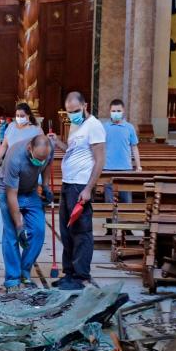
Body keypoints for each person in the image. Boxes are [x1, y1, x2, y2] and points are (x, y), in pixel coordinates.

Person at [47, 91, 106, 290]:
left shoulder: (94, 126)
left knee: (81, 231)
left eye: (76, 110)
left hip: (81, 185)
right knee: (66, 230)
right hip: (68, 183)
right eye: (69, 111)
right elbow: (73, 151)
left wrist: (89, 188)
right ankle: (69, 273)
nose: (73, 114)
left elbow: (100, 160)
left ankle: (81, 276)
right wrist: (58, 142)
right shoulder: (75, 125)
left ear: (85, 105)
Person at [0, 135, 53, 292]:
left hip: (31, 191)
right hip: (8, 191)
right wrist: (19, 225)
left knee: (38, 231)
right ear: (30, 148)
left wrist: (46, 186)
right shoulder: (14, 158)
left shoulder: (48, 149)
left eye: (43, 158)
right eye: (38, 159)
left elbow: (48, 164)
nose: (40, 162)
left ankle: (24, 271)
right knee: (12, 234)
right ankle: (12, 279)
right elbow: (11, 195)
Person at [103, 99, 142, 204]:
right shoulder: (104, 127)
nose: (116, 113)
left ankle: (126, 219)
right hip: (107, 168)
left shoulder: (129, 127)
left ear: (123, 111)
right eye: (114, 111)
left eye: (118, 111)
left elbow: (134, 147)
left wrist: (138, 166)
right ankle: (110, 220)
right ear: (109, 111)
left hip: (125, 168)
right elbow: (99, 147)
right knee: (108, 200)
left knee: (126, 199)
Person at [0, 103, 44, 174]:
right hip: (10, 165)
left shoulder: (36, 130)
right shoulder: (11, 126)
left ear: (28, 115)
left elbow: (43, 148)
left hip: (27, 167)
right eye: (17, 116)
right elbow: (4, 146)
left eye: (22, 116)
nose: (19, 118)